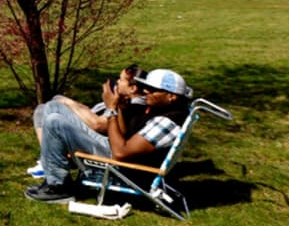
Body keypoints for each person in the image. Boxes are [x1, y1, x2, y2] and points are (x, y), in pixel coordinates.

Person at [23, 68, 194, 204]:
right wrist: (119, 106)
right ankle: (54, 171)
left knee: (54, 122)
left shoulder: (168, 122)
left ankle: (58, 187)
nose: (146, 91)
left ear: (171, 96)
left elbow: (120, 153)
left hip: (121, 166)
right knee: (54, 107)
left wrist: (111, 108)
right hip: (116, 149)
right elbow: (125, 132)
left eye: (153, 89)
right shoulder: (158, 109)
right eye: (146, 86)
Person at [25, 65, 144, 178]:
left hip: (108, 149)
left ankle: (53, 171)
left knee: (54, 107)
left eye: (121, 79)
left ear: (132, 88)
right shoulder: (126, 103)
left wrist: (111, 106)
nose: (117, 82)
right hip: (107, 142)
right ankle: (48, 161)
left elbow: (100, 126)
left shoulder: (135, 108)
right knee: (46, 108)